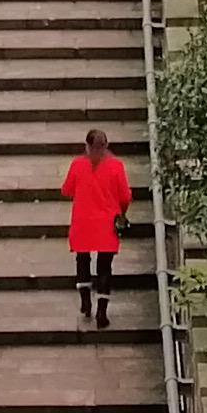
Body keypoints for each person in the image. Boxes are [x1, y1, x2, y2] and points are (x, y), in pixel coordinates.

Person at [61, 125, 131, 330]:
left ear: (87, 145)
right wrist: (122, 212)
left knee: (82, 260)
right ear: (106, 145)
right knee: (104, 267)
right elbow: (125, 196)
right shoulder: (116, 166)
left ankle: (85, 301)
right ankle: (102, 312)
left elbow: (66, 190)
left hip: (83, 221)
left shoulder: (77, 164)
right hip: (107, 223)